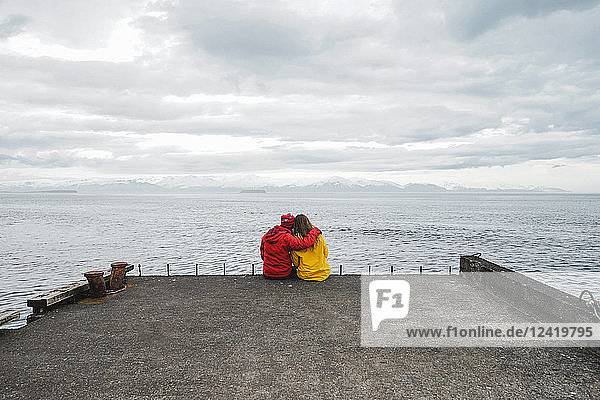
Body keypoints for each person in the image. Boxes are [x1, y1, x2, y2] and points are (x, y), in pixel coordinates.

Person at [260, 213, 322, 279]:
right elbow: (304, 243)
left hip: (267, 273)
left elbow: (262, 254)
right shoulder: (286, 237)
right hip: (283, 273)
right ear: (292, 225)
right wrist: (314, 232)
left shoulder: (267, 235)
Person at [290, 214, 330, 281]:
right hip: (323, 273)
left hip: (305, 274)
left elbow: (296, 262)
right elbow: (325, 253)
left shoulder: (296, 241)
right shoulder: (318, 237)